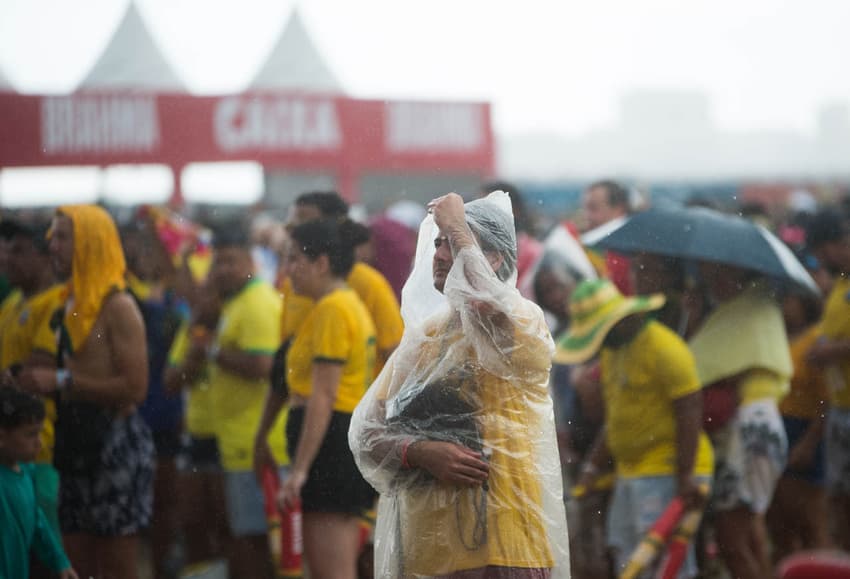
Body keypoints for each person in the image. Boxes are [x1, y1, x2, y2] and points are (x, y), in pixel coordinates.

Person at [350, 191, 570, 578]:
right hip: (426, 551)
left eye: (451, 243)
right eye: (437, 243)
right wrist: (417, 451)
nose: (439, 254)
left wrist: (457, 227)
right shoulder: (426, 337)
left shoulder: (522, 321)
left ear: (495, 259)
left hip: (502, 543)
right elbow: (366, 434)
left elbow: (487, 301)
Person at [18, 205, 154, 579]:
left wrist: (61, 381)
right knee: (76, 562)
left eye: (62, 237)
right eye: (52, 235)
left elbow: (135, 388)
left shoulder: (118, 306)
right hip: (74, 440)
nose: (52, 245)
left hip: (114, 445)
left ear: (90, 244)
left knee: (115, 565)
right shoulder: (67, 303)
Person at [557, 279, 714, 579]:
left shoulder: (664, 348)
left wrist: (685, 475)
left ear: (619, 321)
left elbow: (691, 411)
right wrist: (593, 465)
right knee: (629, 560)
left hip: (668, 470)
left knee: (664, 565)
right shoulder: (614, 352)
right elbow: (616, 417)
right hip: (632, 471)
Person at [273, 219, 378, 579]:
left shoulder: (334, 309)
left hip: (332, 442)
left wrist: (299, 471)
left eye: (294, 260)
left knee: (330, 570)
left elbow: (323, 395)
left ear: (321, 263)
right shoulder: (336, 304)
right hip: (337, 439)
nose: (288, 271)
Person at [688, 263, 791, 579]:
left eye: (715, 277)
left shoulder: (745, 312)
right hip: (762, 426)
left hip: (750, 428)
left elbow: (696, 364)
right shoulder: (761, 308)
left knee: (731, 541)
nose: (713, 286)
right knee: (750, 535)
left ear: (734, 275)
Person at [199, 224, 287, 579]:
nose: (222, 271)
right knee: (247, 535)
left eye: (230, 262)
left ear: (251, 260)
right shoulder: (237, 300)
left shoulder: (257, 303)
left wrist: (213, 352)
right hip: (241, 439)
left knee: (254, 539)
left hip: (258, 442)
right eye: (216, 263)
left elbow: (265, 365)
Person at [121, 219, 184, 579]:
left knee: (164, 507)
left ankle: (160, 570)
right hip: (131, 415)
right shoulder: (121, 296)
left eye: (154, 249)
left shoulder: (176, 301)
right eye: (140, 248)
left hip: (164, 417)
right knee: (131, 512)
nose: (147, 257)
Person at [0, 219, 65, 544]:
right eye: (6, 250)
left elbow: (33, 371)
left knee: (43, 550)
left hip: (38, 450)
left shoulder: (57, 303)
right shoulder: (12, 303)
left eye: (20, 251)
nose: (6, 259)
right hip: (7, 449)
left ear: (47, 257)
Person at [766, 257, 833, 561]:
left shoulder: (815, 341)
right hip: (778, 427)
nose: (783, 306)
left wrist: (809, 442)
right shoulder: (776, 337)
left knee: (810, 522)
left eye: (789, 300)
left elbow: (827, 398)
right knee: (779, 523)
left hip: (804, 430)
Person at [805, 209, 850, 550]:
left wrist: (830, 352)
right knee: (838, 497)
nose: (821, 261)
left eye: (822, 253)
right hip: (839, 406)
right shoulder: (840, 284)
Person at [0, 386, 78, 579]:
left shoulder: (26, 473)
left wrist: (59, 561)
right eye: (31, 434)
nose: (40, 443)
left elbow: (37, 523)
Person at [581, 180, 633, 294]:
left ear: (618, 209)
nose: (586, 216)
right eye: (585, 208)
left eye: (593, 208)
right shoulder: (586, 245)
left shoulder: (634, 249)